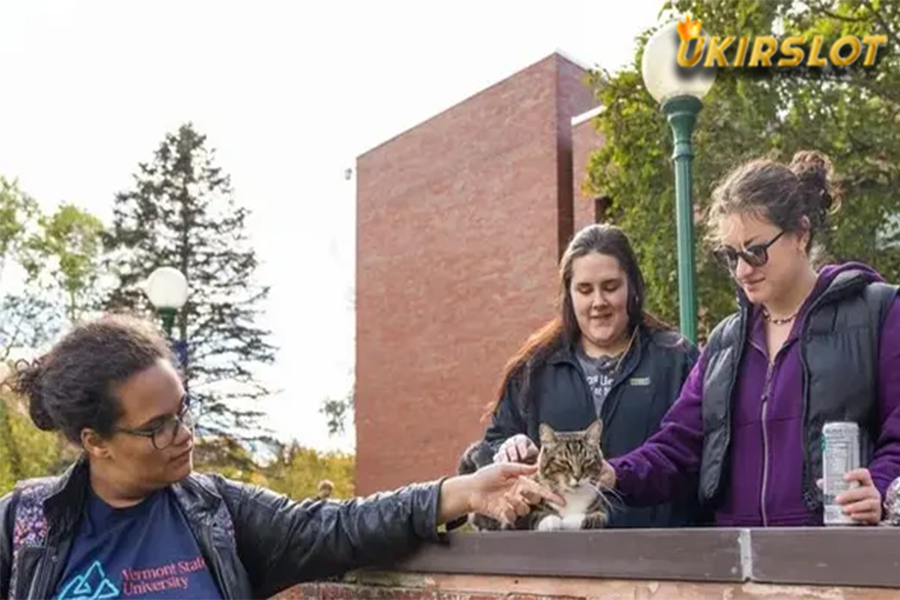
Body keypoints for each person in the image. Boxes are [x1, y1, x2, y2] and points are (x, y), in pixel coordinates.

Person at [0, 315, 563, 600]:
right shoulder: (25, 526)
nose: (184, 434)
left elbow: (339, 526)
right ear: (95, 441)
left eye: (183, 409)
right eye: (157, 427)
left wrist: (461, 492)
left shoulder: (216, 512)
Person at [606, 150, 900, 527]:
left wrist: (880, 488)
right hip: (739, 571)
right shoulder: (724, 344)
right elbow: (678, 449)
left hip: (841, 567)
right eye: (730, 256)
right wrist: (609, 474)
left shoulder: (878, 311)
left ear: (801, 233)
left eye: (756, 252)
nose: (742, 270)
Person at [473, 223, 706, 528]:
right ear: (568, 295)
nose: (599, 302)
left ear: (632, 287)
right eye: (585, 290)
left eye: (610, 286)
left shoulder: (677, 359)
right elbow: (487, 456)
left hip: (659, 560)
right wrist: (511, 451)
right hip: (560, 564)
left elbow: (695, 455)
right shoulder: (535, 368)